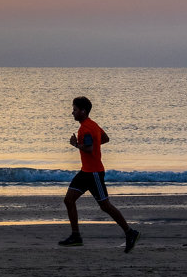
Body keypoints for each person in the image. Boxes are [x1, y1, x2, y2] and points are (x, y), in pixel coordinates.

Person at [59, 96, 139, 252]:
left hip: (94, 173)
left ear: (83, 111)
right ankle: (76, 236)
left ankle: (130, 233)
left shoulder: (85, 128)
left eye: (74, 110)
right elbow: (105, 138)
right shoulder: (92, 125)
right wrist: (92, 145)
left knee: (105, 206)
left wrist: (76, 145)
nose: (72, 113)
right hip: (85, 172)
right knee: (69, 200)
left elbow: (89, 148)